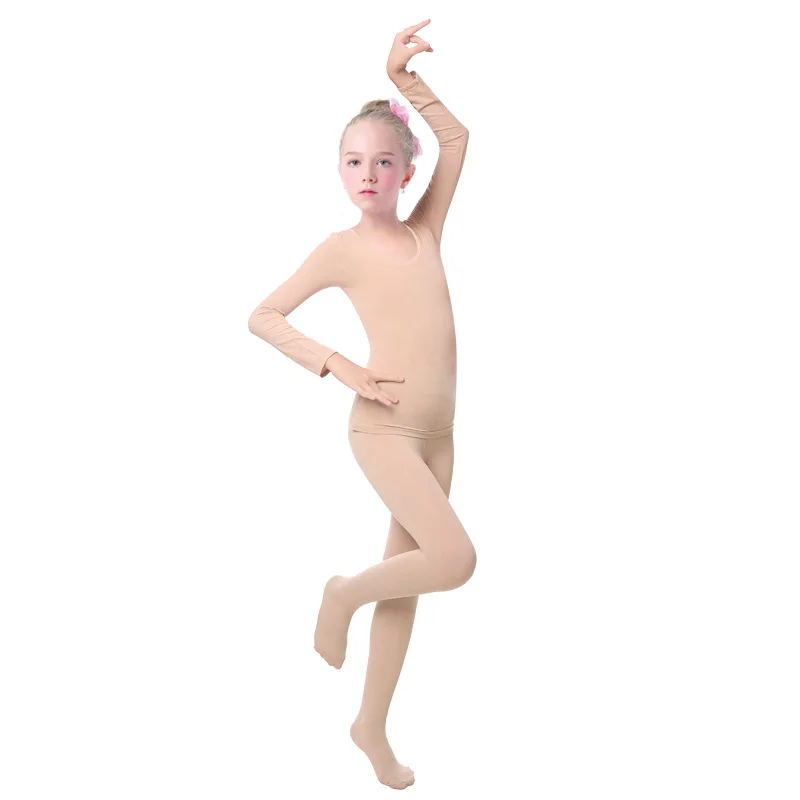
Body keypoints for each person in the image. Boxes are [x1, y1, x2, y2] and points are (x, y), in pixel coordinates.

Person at [248, 20, 475, 790]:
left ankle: (371, 725)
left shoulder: (426, 232)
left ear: (408, 171)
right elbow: (264, 316)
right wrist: (340, 366)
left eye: (384, 161)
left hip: (440, 435)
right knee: (455, 561)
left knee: (410, 578)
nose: (368, 173)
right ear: (338, 172)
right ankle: (342, 594)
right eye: (353, 161)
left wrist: (403, 82)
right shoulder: (340, 249)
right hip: (383, 429)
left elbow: (459, 138)